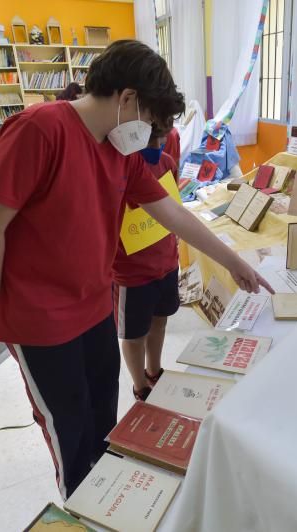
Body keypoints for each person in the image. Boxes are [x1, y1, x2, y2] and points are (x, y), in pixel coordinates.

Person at [0, 40, 272, 499]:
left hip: (93, 307)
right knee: (69, 430)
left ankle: (105, 501)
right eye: (148, 119)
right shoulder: (40, 129)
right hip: (39, 320)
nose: (148, 132)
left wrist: (233, 261)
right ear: (127, 98)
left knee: (105, 420)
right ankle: (81, 506)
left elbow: (172, 213)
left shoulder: (117, 150)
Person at [113, 119, 179, 401]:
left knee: (160, 321)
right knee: (134, 333)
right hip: (132, 271)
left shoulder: (166, 163)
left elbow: (174, 209)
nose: (157, 145)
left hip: (166, 262)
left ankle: (155, 370)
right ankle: (140, 384)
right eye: (151, 138)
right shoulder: (119, 167)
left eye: (162, 137)